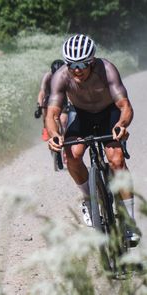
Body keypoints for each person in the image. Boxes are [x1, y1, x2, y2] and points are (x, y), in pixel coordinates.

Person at [46, 34, 139, 245]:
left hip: (109, 114)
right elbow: (52, 113)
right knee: (72, 156)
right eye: (72, 64)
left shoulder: (107, 70)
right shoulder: (61, 76)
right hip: (82, 115)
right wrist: (54, 135)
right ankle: (90, 200)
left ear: (93, 60)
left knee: (116, 159)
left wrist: (122, 126)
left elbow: (124, 106)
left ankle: (129, 221)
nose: (77, 69)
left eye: (83, 63)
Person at [34, 59, 68, 141]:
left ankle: (65, 139)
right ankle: (46, 127)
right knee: (45, 109)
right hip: (50, 97)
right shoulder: (47, 76)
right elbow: (42, 92)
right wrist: (39, 106)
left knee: (63, 121)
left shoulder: (66, 76)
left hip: (63, 98)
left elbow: (70, 93)